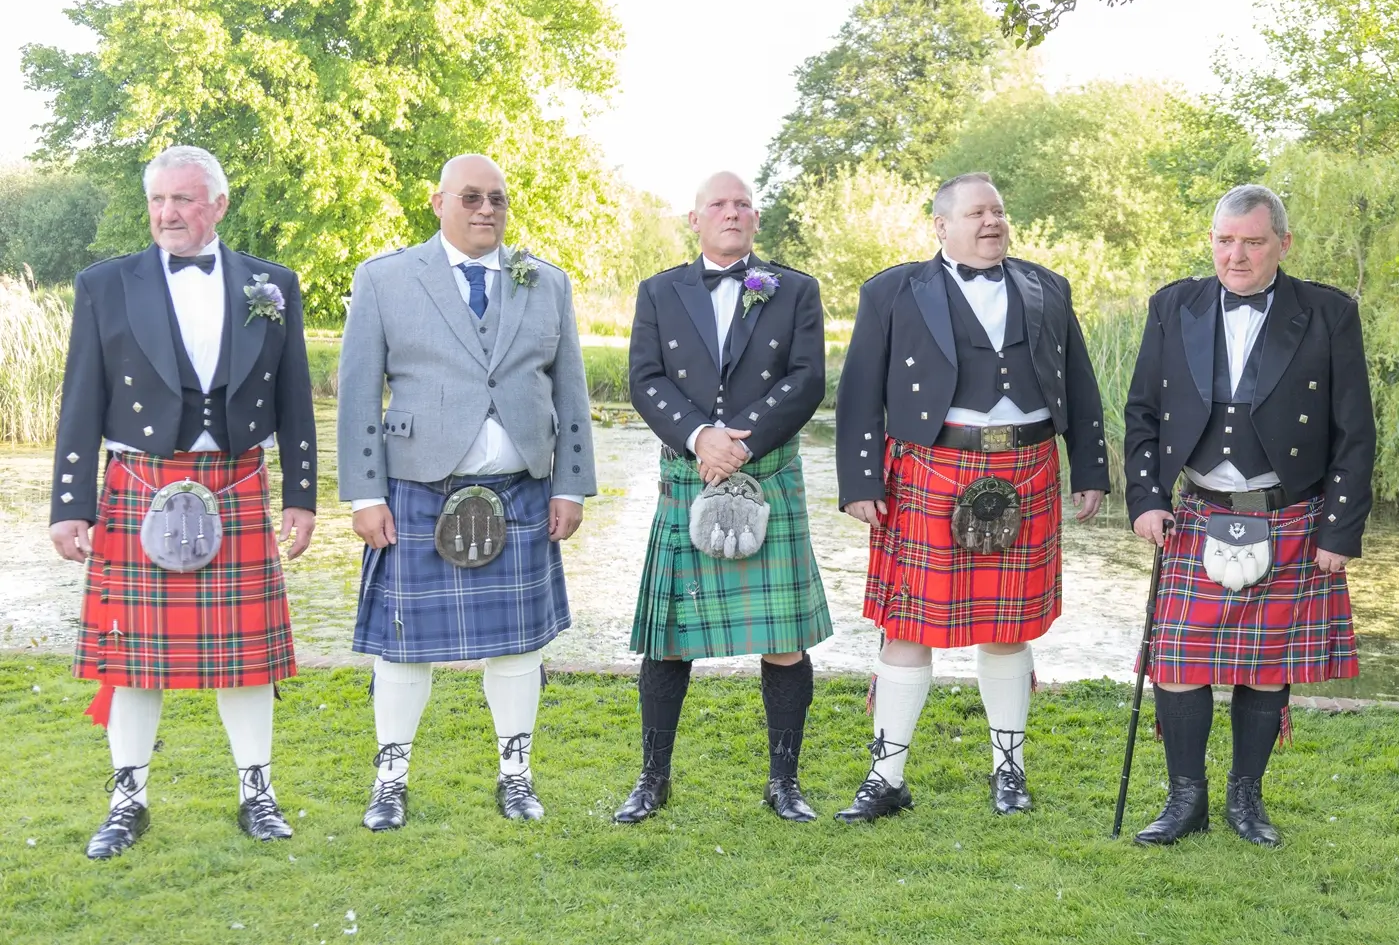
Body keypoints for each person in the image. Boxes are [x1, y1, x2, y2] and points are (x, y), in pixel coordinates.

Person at [50, 144, 318, 859]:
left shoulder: (272, 283)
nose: (167, 214)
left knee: (249, 662)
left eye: (184, 200)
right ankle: (127, 800)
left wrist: (302, 495)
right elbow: (81, 398)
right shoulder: (107, 284)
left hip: (235, 481)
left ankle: (257, 794)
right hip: (138, 485)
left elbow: (295, 398)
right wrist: (69, 503)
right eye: (158, 201)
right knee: (128, 662)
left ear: (219, 206)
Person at [833, 172, 1109, 822]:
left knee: (1009, 629)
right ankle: (885, 778)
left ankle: (1008, 773)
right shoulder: (892, 290)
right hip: (930, 466)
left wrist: (1091, 467)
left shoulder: (1047, 286)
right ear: (942, 225)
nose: (992, 223)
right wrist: (861, 481)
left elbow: (1082, 381)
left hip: (1028, 464)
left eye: (999, 213)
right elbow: (858, 391)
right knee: (906, 627)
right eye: (977, 214)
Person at [338, 154, 594, 830]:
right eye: (472, 197)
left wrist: (571, 484)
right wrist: (366, 493)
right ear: (439, 201)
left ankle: (516, 774)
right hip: (419, 488)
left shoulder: (546, 282)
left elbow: (571, 393)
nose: (486, 210)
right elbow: (359, 394)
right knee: (402, 646)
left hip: (522, 491)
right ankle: (390, 779)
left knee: (518, 648)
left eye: (498, 200)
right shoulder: (385, 278)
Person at [1123, 184, 1374, 848]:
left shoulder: (1326, 313)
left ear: (1282, 245)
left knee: (1265, 666)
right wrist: (1147, 497)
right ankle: (1185, 801)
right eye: (1224, 240)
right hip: (1197, 511)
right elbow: (1143, 413)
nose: (1236, 255)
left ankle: (1246, 800)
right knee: (1176, 662)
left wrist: (1339, 528)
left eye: (1253, 242)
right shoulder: (1173, 305)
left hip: (1288, 512)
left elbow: (1355, 431)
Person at [611, 171, 831, 824]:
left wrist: (742, 442)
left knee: (784, 638)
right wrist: (699, 437)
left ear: (755, 220)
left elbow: (807, 378)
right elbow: (644, 378)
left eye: (742, 204)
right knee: (669, 639)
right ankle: (653, 779)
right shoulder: (659, 291)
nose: (731, 212)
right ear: (694, 219)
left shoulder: (795, 289)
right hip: (690, 469)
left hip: (766, 472)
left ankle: (784, 783)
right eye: (718, 204)